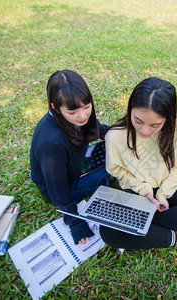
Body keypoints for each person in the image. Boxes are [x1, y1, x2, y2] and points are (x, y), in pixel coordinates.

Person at [100, 77, 177, 252]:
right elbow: (116, 170)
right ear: (130, 110)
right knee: (108, 233)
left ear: (168, 118)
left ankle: (142, 226)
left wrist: (163, 195)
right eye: (138, 121)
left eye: (155, 125)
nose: (144, 131)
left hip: (169, 184)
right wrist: (144, 191)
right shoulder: (115, 136)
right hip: (137, 189)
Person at [30, 70, 111, 245]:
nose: (82, 116)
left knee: (115, 149)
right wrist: (74, 221)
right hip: (63, 186)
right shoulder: (51, 143)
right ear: (54, 107)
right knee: (114, 168)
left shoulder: (79, 116)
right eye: (73, 111)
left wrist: (118, 136)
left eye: (86, 106)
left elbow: (99, 129)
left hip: (73, 164)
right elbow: (56, 186)